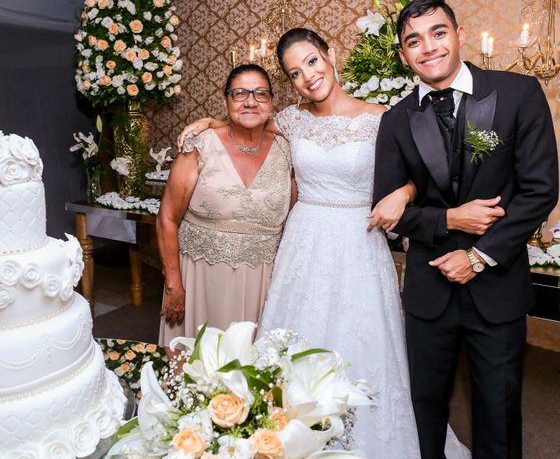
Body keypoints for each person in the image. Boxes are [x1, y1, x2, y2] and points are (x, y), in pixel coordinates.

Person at [177, 28, 469, 458]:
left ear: (330, 55)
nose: (307, 77)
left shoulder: (381, 117)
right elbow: (249, 122)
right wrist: (212, 122)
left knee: (363, 340)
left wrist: (402, 194)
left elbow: (420, 175)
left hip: (359, 238)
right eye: (294, 73)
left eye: (311, 62)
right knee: (296, 338)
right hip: (304, 239)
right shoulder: (292, 120)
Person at [373, 0, 558, 459]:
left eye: (438, 33)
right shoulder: (396, 120)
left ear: (459, 35)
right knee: (426, 407)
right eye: (413, 40)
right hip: (428, 289)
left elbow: (540, 191)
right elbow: (387, 211)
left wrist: (478, 256)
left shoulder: (518, 94)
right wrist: (449, 219)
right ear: (403, 54)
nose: (428, 47)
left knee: (498, 408)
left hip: (496, 284)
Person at [156, 64, 294, 347]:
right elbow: (167, 218)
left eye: (260, 94)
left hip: (263, 282)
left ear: (271, 103)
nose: (250, 101)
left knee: (251, 372)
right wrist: (174, 285)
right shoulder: (199, 146)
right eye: (240, 93)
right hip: (201, 279)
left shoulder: (288, 150)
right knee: (199, 370)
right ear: (226, 101)